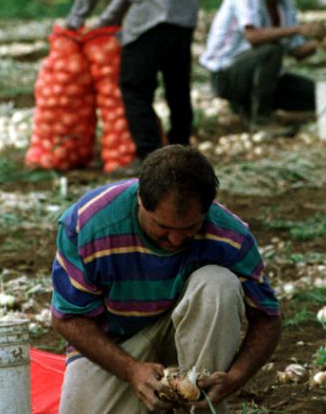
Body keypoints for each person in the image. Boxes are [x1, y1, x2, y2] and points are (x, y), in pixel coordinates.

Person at [51, 144, 282, 414]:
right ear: (140, 200)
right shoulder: (89, 224)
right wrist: (131, 370)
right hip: (117, 345)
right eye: (162, 227)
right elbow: (67, 318)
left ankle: (198, 403)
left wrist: (234, 379)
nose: (175, 239)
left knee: (218, 284)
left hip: (185, 335)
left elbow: (267, 317)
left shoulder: (229, 235)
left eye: (189, 228)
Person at [65, 0, 200, 168]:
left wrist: (74, 23)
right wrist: (103, 24)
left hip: (156, 13)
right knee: (177, 86)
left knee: (134, 86)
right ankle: (183, 155)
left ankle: (149, 158)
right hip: (184, 9)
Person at [199, 0, 326, 132]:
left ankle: (248, 106)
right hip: (227, 74)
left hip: (261, 74)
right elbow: (253, 37)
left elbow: (296, 52)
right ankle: (261, 120)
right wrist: (298, 29)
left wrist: (318, 42)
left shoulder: (286, 1)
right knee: (271, 51)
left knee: (317, 95)